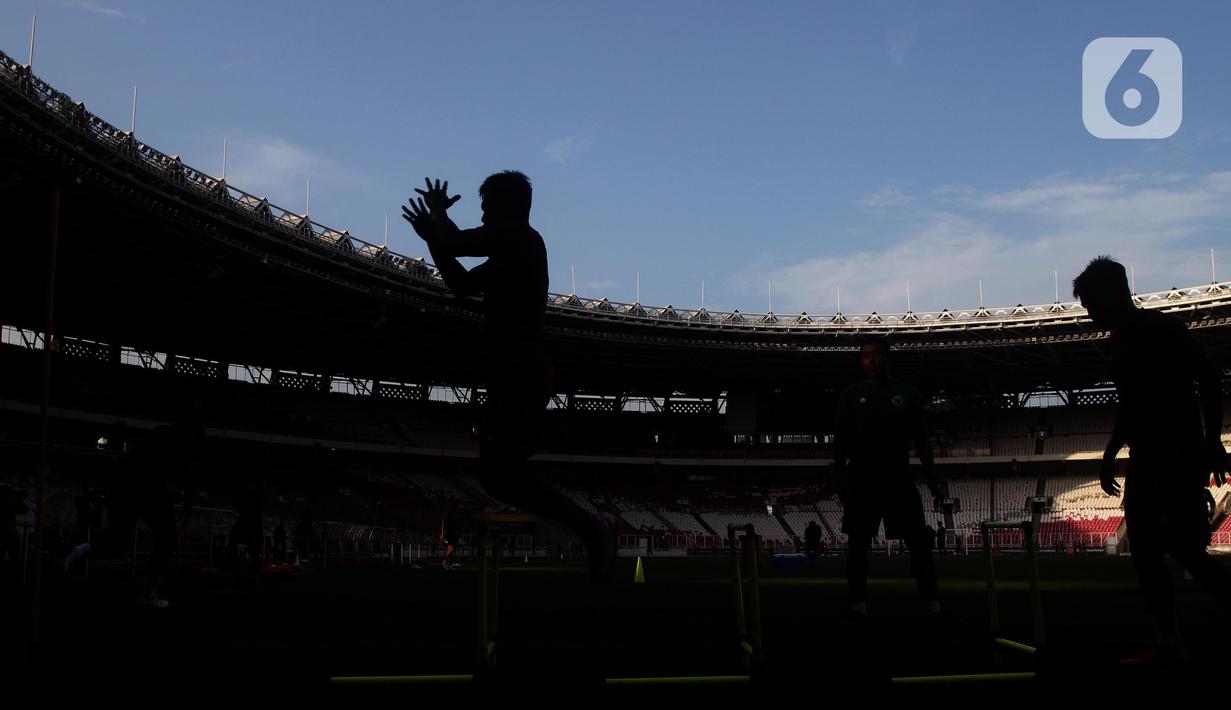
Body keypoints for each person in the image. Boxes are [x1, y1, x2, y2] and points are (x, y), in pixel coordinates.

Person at [403, 174, 615, 582]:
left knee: (499, 475)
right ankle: (592, 528)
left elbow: (457, 244)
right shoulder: (511, 252)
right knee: (499, 475)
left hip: (521, 371)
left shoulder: (521, 240)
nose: (481, 215)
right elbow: (461, 284)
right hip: (514, 373)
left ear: (506, 209)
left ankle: (593, 528)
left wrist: (437, 216)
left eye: (486, 209)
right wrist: (433, 237)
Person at [1074, 255, 1230, 666]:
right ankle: (1168, 642)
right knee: (1144, 547)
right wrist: (1110, 454)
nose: (1088, 312)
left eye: (1091, 302)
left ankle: (1172, 641)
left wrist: (1212, 441)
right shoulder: (1120, 345)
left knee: (1184, 549)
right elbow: (1131, 407)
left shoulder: (1162, 329)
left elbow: (1209, 379)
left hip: (1177, 451)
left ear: (1115, 293)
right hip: (1145, 456)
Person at [833, 335, 945, 623]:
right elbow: (840, 441)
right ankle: (857, 607)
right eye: (866, 355)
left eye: (877, 354)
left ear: (888, 357)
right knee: (857, 548)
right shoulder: (850, 394)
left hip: (898, 480)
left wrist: (933, 478)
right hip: (861, 481)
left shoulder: (907, 393)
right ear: (861, 361)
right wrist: (840, 478)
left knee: (918, 545)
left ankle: (933, 606)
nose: (872, 360)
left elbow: (922, 439)